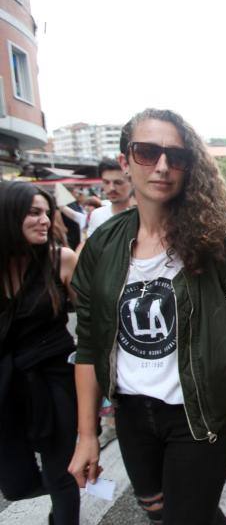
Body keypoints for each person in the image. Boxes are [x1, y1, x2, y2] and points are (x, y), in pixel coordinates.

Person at [68, 108, 226, 525]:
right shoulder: (104, 243)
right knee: (159, 509)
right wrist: (87, 436)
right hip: (133, 413)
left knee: (184, 518)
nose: (162, 166)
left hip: (198, 413)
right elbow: (88, 342)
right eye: (147, 152)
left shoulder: (217, 241)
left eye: (176, 156)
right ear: (125, 161)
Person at [0, 181, 80, 525]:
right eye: (34, 213)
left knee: (60, 470)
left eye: (47, 213)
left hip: (55, 380)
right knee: (16, 485)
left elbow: (94, 322)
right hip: (7, 383)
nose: (45, 220)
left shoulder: (61, 259)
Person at [86, 158, 134, 237]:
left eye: (118, 182)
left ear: (132, 182)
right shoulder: (97, 215)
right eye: (106, 182)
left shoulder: (143, 216)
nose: (111, 188)